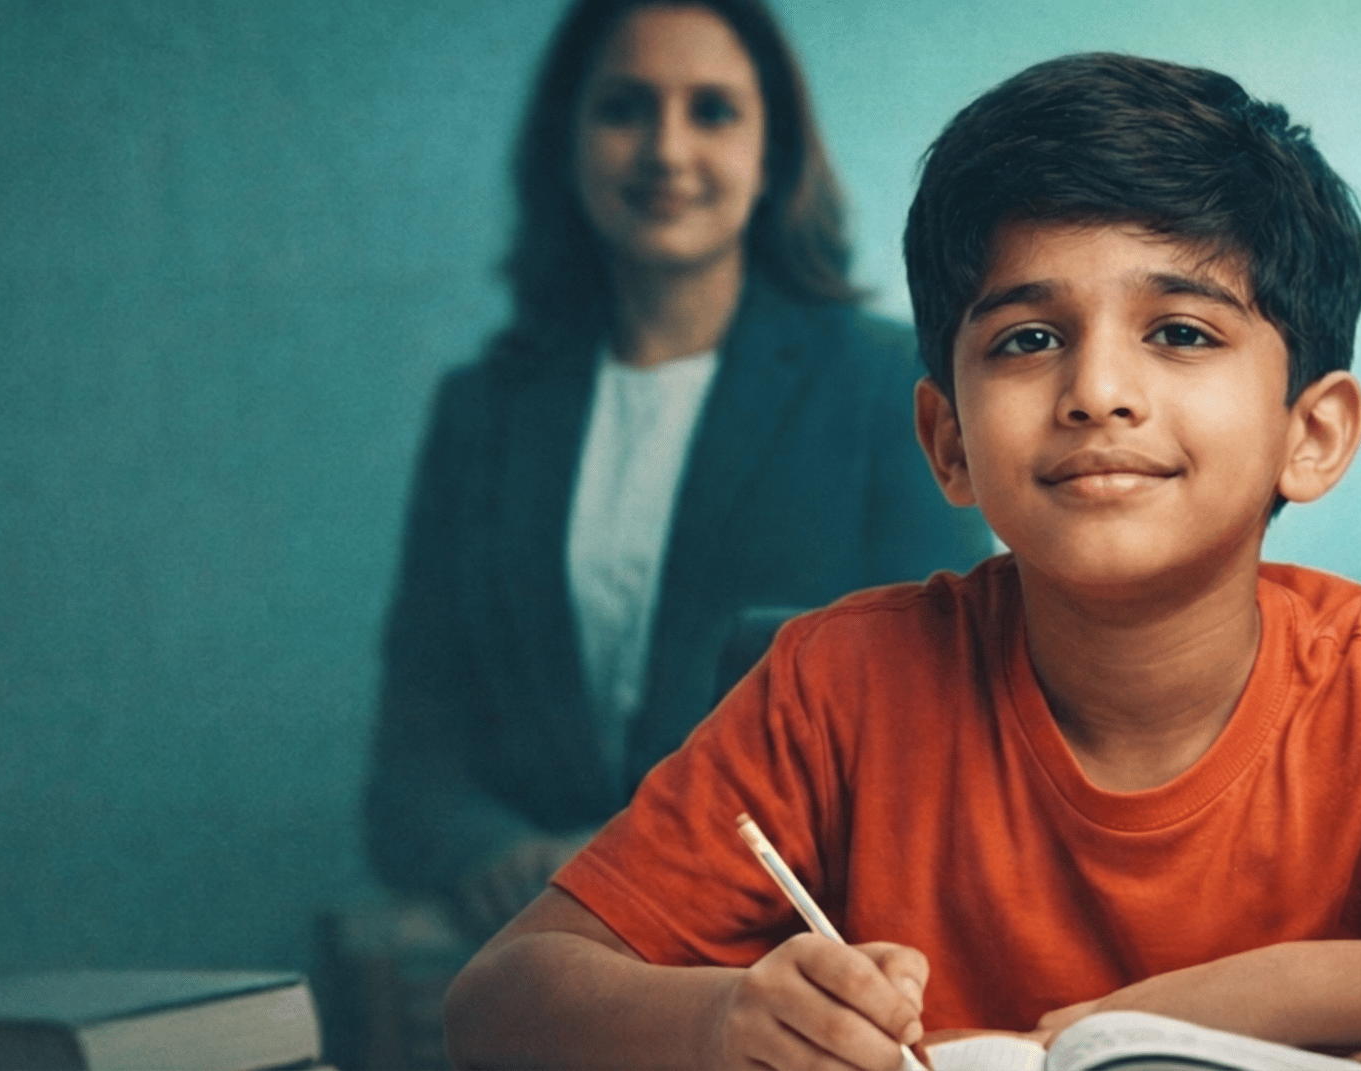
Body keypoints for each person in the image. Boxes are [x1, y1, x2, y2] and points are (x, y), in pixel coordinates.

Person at [443, 52, 1361, 1069]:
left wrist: (1248, 1000)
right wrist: (725, 1021)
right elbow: (497, 1002)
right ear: (948, 443)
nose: (1096, 392)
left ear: (1309, 436)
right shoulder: (836, 692)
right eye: (1028, 339)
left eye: (1180, 331)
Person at [364, 0, 988, 943]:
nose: (666, 149)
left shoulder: (886, 388)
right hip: (537, 936)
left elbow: (944, 721)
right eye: (624, 108)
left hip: (795, 942)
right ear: (566, 141)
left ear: (774, 149)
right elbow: (414, 746)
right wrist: (497, 851)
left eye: (713, 110)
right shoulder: (484, 411)